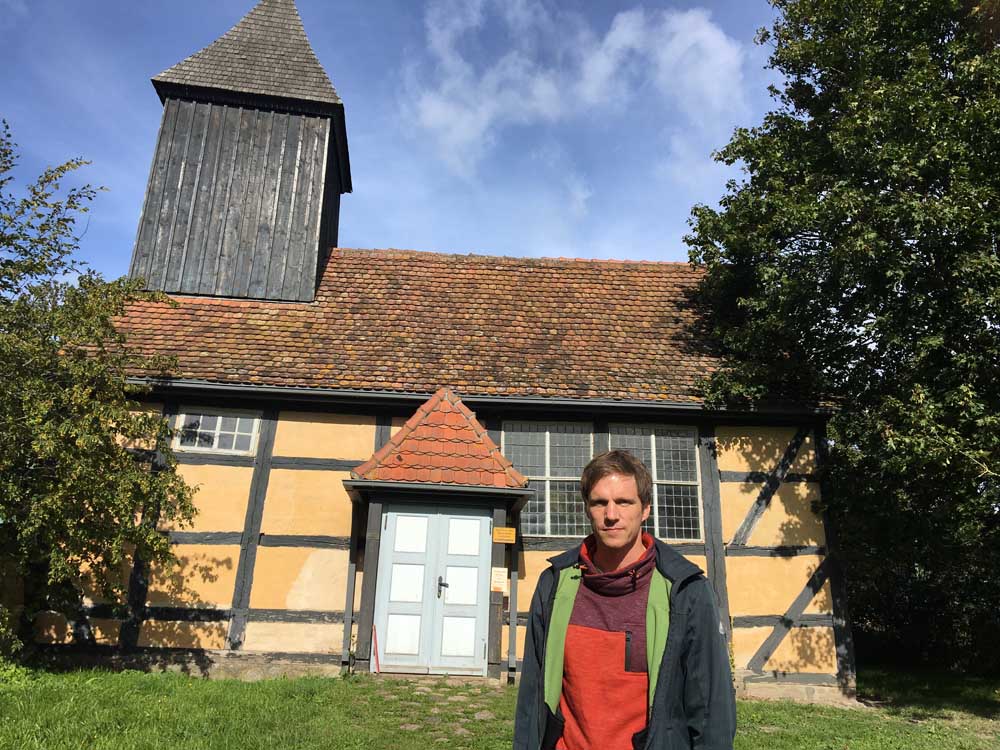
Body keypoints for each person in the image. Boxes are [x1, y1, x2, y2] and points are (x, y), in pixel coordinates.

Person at [513, 450, 736, 750]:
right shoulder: (555, 585)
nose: (611, 515)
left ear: (645, 509)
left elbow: (712, 714)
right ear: (587, 509)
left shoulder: (686, 591)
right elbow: (531, 700)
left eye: (624, 502)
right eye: (599, 502)